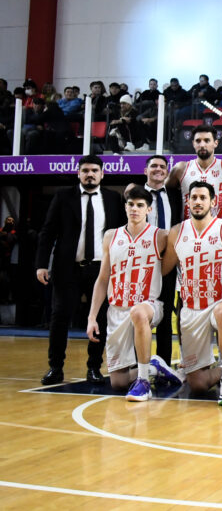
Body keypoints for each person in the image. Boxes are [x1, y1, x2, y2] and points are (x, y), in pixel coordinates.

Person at [36, 155, 126, 385]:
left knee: (100, 318)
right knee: (60, 317)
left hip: (101, 269)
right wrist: (42, 264)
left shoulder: (113, 198)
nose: (90, 174)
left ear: (102, 174)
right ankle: (55, 367)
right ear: (78, 173)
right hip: (68, 268)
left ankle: (94, 367)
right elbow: (48, 231)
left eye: (94, 170)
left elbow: (122, 234)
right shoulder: (63, 196)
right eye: (85, 170)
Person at [86, 186, 182, 401]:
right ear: (125, 207)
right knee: (118, 382)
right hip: (117, 309)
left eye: (140, 205)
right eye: (131, 204)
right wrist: (92, 317)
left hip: (148, 305)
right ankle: (153, 367)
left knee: (138, 312)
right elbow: (103, 279)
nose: (134, 209)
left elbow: (170, 265)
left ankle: (144, 381)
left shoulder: (161, 236)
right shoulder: (111, 236)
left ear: (149, 209)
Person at [161, 181, 222, 406]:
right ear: (188, 201)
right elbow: (163, 269)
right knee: (198, 384)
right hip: (192, 308)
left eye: (203, 198)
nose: (198, 202)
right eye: (194, 197)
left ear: (213, 202)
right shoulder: (176, 232)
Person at [142, 155, 183, 366]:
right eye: (153, 166)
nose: (158, 169)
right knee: (140, 314)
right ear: (145, 171)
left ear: (167, 172)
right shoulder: (136, 195)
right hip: (142, 262)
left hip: (168, 260)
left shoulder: (175, 195)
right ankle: (138, 364)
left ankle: (163, 364)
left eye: (162, 166)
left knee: (166, 315)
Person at [166, 124, 222, 222]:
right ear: (193, 144)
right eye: (198, 141)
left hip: (220, 229)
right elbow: (163, 190)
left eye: (207, 140)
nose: (202, 145)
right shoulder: (181, 169)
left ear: (215, 143)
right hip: (190, 229)